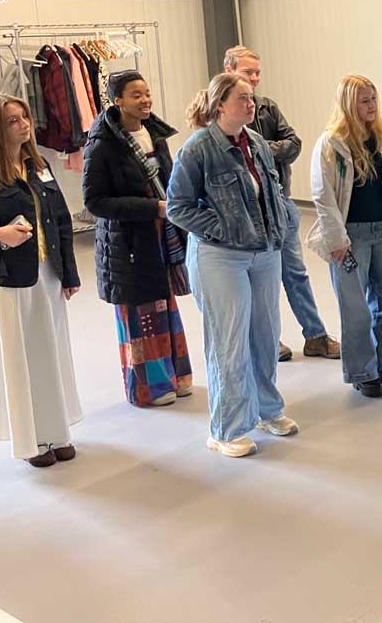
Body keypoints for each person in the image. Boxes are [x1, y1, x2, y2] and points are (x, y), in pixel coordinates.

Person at [167, 73, 298, 458]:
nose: (251, 104)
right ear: (220, 104)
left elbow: (270, 192)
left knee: (265, 333)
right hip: (220, 256)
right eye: (242, 98)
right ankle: (225, 428)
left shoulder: (255, 142)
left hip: (264, 251)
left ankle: (267, 410)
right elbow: (177, 207)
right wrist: (221, 227)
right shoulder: (198, 149)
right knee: (230, 341)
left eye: (251, 97)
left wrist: (277, 231)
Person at [82, 71, 192, 408]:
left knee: (163, 304)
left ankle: (176, 376)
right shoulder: (102, 144)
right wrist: (152, 208)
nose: (145, 100)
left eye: (147, 93)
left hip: (161, 234)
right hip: (127, 243)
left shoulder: (155, 135)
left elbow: (170, 181)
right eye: (135, 95)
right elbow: (95, 201)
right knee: (140, 313)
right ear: (117, 101)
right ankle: (150, 388)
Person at [224, 46, 339, 363]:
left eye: (258, 72)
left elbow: (294, 144)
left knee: (296, 273)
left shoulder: (267, 108)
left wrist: (259, 149)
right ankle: (267, 340)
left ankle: (315, 335)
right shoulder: (218, 111)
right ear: (230, 70)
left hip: (281, 205)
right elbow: (228, 153)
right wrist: (266, 151)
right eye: (249, 72)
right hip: (247, 214)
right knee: (260, 280)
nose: (256, 78)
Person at [0, 95, 83, 468]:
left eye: (25, 116)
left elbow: (61, 220)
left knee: (52, 351)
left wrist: (70, 273)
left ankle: (58, 431)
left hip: (47, 273)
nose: (24, 124)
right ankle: (33, 439)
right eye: (13, 121)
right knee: (21, 356)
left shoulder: (39, 165)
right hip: (9, 279)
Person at [308, 75, 382, 399]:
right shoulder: (331, 143)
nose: (371, 106)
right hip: (349, 237)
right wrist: (336, 239)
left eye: (373, 99)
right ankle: (362, 371)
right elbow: (322, 195)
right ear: (348, 104)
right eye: (364, 100)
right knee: (356, 309)